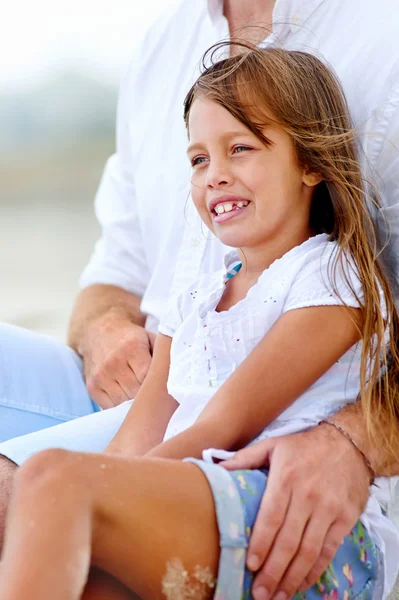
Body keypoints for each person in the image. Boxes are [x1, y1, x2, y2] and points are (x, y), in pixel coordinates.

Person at [0, 0, 399, 596]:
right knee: (78, 549)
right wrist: (105, 329)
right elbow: (142, 417)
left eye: (241, 149)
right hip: (186, 464)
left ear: (311, 163)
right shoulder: (199, 295)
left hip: (280, 500)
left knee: (54, 484)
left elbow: (225, 424)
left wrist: (107, 486)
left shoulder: (328, 282)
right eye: (197, 159)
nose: (213, 175)